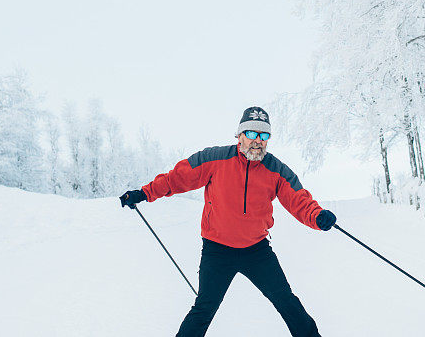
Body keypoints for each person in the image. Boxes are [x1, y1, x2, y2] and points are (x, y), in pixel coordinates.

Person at [120, 106, 336, 337]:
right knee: (204, 309)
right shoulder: (215, 159)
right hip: (217, 251)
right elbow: (177, 178)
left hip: (257, 250)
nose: (257, 141)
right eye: (252, 134)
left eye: (264, 136)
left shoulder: (276, 170)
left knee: (286, 301)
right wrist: (144, 193)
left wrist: (317, 216)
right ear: (240, 135)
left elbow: (298, 199)